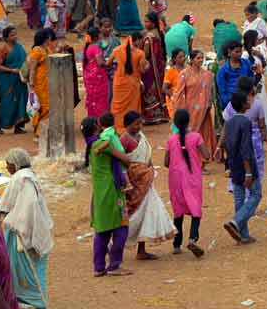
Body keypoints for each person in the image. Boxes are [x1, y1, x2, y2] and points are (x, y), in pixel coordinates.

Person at [0, 148, 53, 308]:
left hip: (21, 232)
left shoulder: (19, 179)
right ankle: (35, 301)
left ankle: (30, 302)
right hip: (35, 230)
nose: (7, 168)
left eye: (8, 164)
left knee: (24, 270)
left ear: (15, 164)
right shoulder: (30, 176)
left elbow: (5, 206)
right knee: (35, 270)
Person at [119, 113, 177, 257]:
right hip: (133, 183)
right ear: (127, 125)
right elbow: (122, 164)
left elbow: (147, 157)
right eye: (135, 124)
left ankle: (141, 250)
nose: (139, 127)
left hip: (146, 181)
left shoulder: (141, 137)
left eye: (140, 123)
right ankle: (115, 245)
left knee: (147, 214)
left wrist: (148, 171)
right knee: (132, 216)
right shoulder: (124, 140)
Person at [85, 115, 133, 276]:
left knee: (103, 229)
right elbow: (125, 160)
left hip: (99, 191)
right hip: (112, 189)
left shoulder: (91, 145)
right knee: (121, 227)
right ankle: (114, 265)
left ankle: (99, 267)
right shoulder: (101, 144)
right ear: (96, 127)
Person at [165, 109, 211, 257]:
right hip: (192, 177)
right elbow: (206, 156)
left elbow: (166, 162)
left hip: (175, 177)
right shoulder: (196, 137)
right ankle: (193, 238)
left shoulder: (171, 140)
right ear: (188, 121)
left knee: (178, 210)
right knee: (195, 207)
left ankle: (176, 245)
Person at [222, 90, 262, 244]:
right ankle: (236, 222)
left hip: (234, 164)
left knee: (239, 198)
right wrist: (248, 172)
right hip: (246, 165)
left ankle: (244, 235)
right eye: (247, 100)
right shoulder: (246, 122)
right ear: (244, 104)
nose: (250, 102)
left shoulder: (230, 122)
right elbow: (246, 148)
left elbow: (227, 143)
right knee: (256, 194)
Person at [173, 49, 217, 156]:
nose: (201, 60)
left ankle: (202, 161)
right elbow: (179, 93)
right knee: (190, 134)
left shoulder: (208, 75)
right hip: (189, 111)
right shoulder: (184, 74)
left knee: (203, 134)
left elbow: (211, 92)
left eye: (202, 58)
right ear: (192, 60)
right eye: (198, 58)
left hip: (204, 111)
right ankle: (190, 158)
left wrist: (208, 104)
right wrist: (180, 111)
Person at [0, 27, 29, 133]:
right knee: (7, 102)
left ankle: (18, 126)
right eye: (12, 35)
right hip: (7, 80)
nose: (15, 37)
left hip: (20, 78)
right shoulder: (3, 49)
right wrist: (11, 70)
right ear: (6, 38)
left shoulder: (19, 47)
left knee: (21, 100)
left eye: (15, 34)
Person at [110, 31, 146, 130]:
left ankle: (117, 126)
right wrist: (147, 66)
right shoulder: (140, 53)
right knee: (132, 106)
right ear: (137, 40)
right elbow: (142, 70)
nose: (142, 42)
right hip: (133, 83)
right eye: (141, 40)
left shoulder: (117, 50)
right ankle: (131, 126)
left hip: (118, 82)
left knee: (118, 105)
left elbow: (108, 63)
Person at [140, 11, 169, 124]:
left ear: (153, 23)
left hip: (151, 68)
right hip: (159, 67)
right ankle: (160, 113)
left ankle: (151, 115)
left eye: (147, 21)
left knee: (149, 89)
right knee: (158, 88)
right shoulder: (159, 33)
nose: (145, 23)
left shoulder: (149, 38)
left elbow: (145, 55)